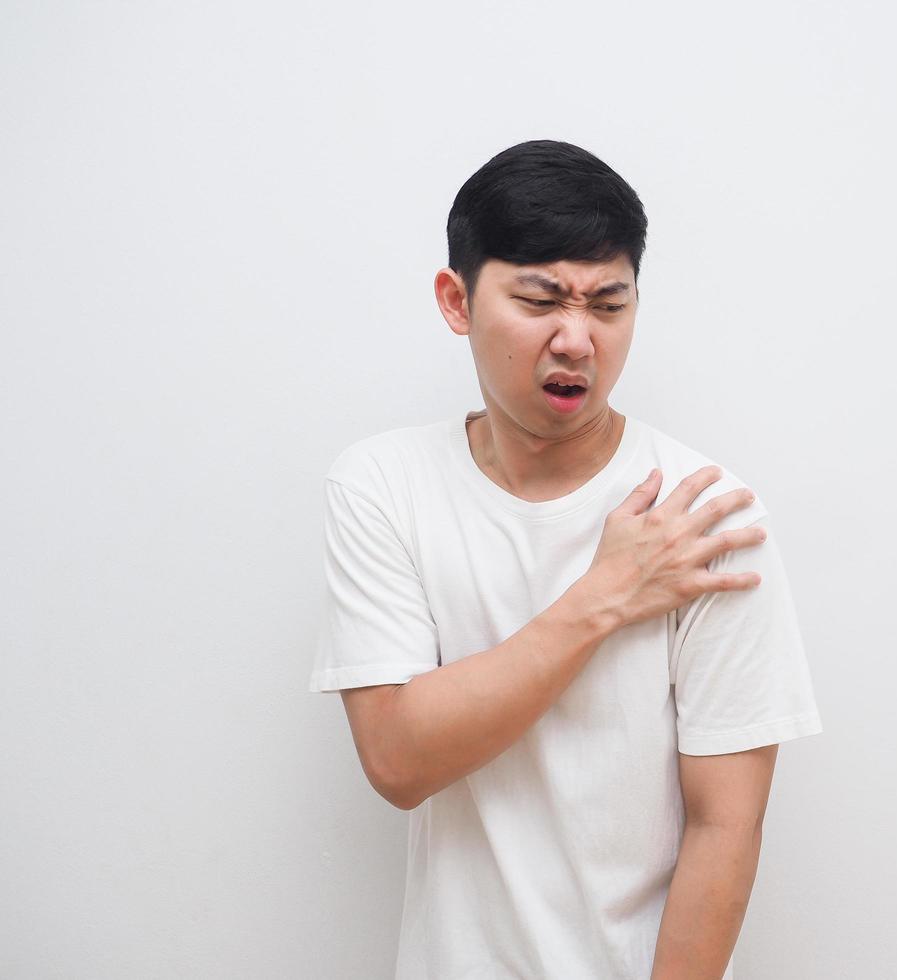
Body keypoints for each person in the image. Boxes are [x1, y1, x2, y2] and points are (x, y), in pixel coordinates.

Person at [308, 139, 823, 980]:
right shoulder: (383, 485)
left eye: (608, 305)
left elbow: (724, 825)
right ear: (456, 299)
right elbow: (398, 761)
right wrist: (609, 593)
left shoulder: (702, 515)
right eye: (540, 298)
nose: (576, 339)